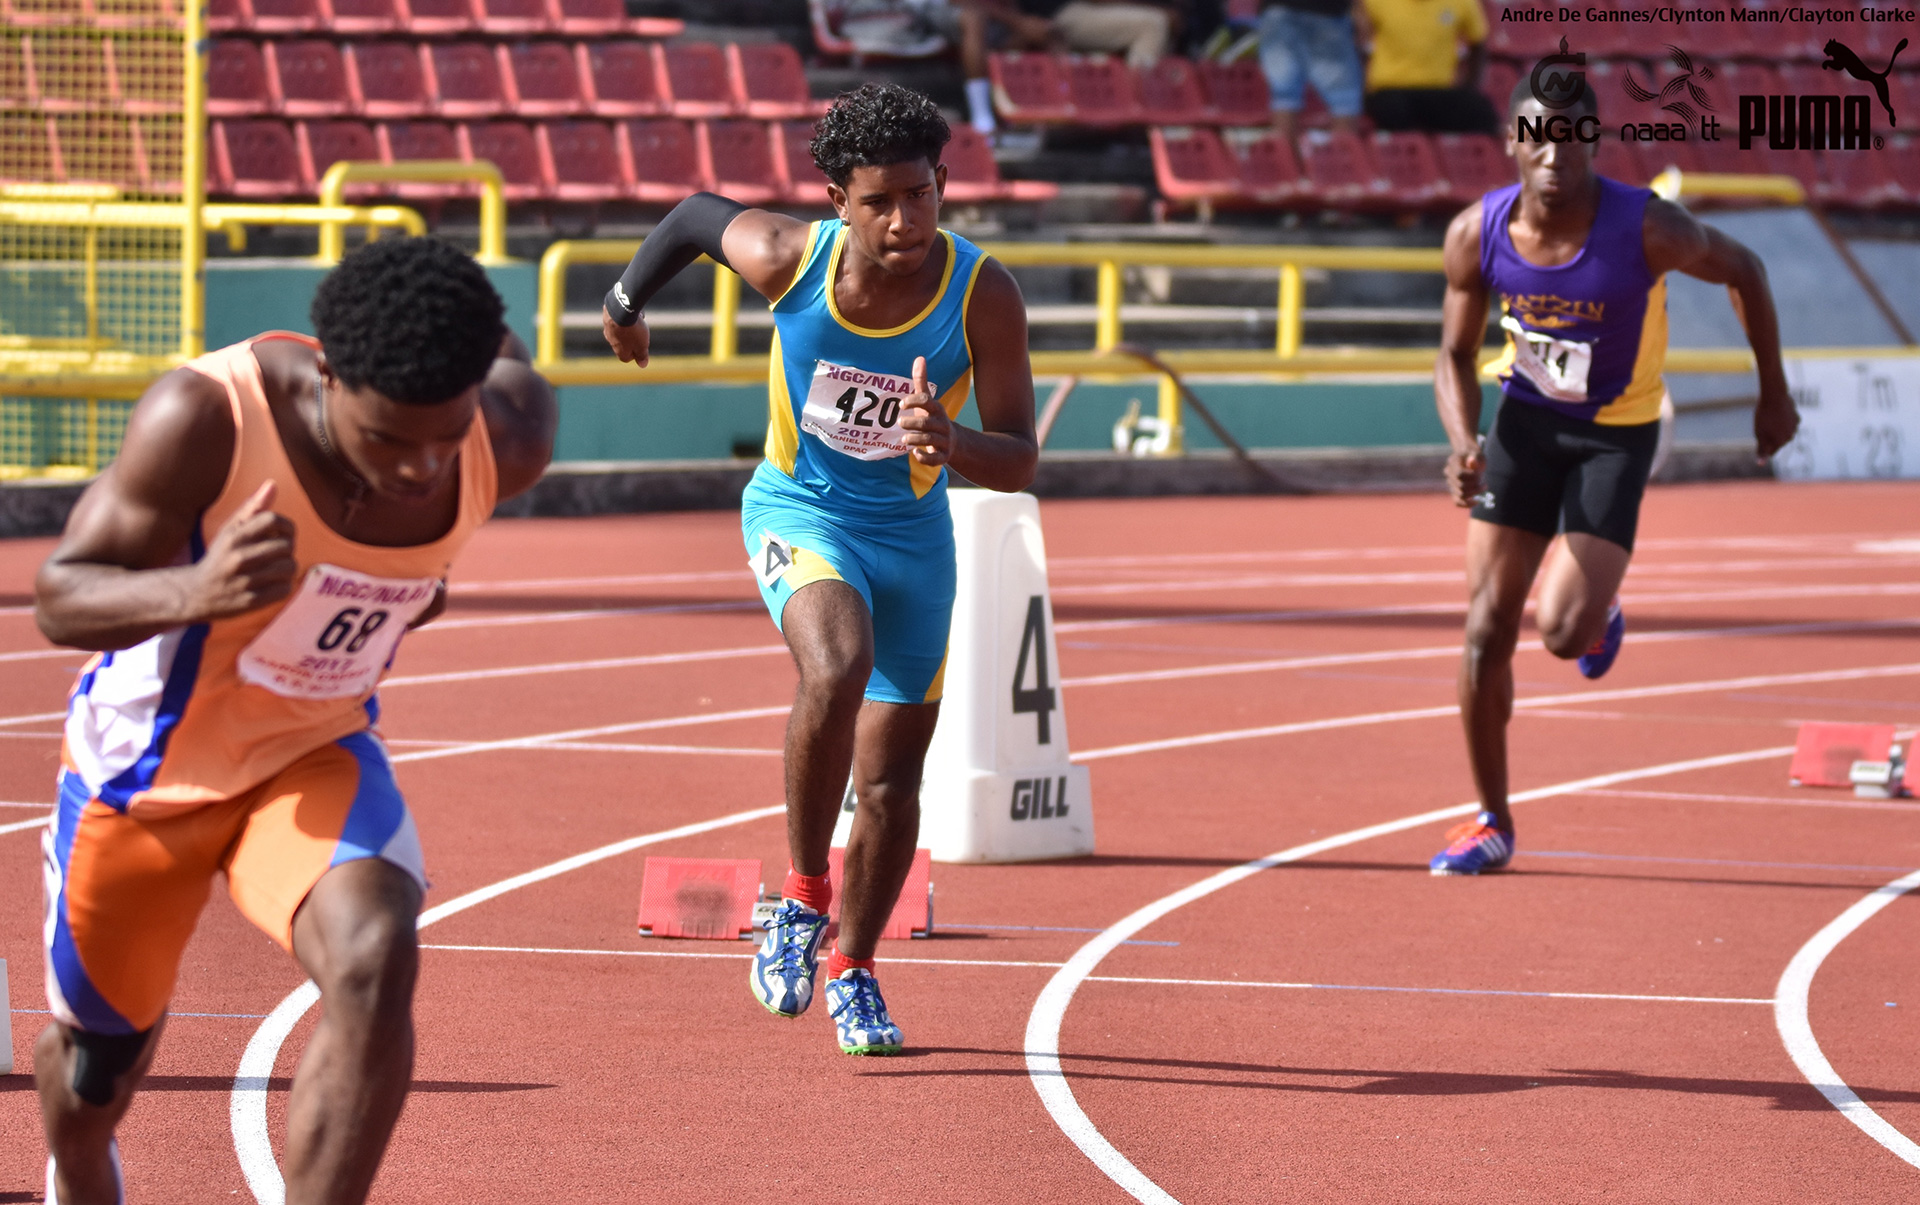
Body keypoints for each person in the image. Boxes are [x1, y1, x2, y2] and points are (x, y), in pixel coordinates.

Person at [32, 237, 556, 1202]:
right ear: (328, 373)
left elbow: (495, 356)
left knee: (375, 952)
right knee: (93, 1075)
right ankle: (77, 1162)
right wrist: (194, 590)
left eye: (444, 438)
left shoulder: (508, 434)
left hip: (311, 749)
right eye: (388, 440)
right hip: (148, 772)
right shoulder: (207, 418)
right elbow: (62, 595)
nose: (421, 468)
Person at [601, 82, 1038, 1053]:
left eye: (920, 195)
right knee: (837, 662)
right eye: (879, 202)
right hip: (801, 509)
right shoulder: (789, 259)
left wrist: (954, 440)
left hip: (914, 539)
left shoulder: (983, 293)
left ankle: (856, 966)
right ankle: (802, 897)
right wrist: (625, 302)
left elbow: (1020, 457)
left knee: (891, 784)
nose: (904, 221)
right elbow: (692, 217)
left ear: (943, 182)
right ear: (839, 200)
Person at [1427, 83, 1799, 876]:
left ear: (1593, 141)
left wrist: (1774, 392)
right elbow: (1453, 353)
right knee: (1486, 630)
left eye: (1570, 137)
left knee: (1562, 634)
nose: (1553, 155)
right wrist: (1463, 442)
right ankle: (1491, 819)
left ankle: (1598, 609)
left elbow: (1746, 268)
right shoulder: (1476, 233)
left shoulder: (1650, 227)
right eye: (1538, 137)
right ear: (1512, 140)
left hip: (1615, 435)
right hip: (1523, 427)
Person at [1357, 0, 1497, 133]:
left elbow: (1478, 43)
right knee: (1392, 110)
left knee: (1481, 112)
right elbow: (1358, 39)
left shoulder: (1461, 2)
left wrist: (1469, 86)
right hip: (1390, 89)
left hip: (1440, 91)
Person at [1256, 0, 1364, 140]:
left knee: (1284, 96)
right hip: (1325, 11)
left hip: (1277, 9)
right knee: (1344, 99)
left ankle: (1285, 153)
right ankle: (1343, 152)